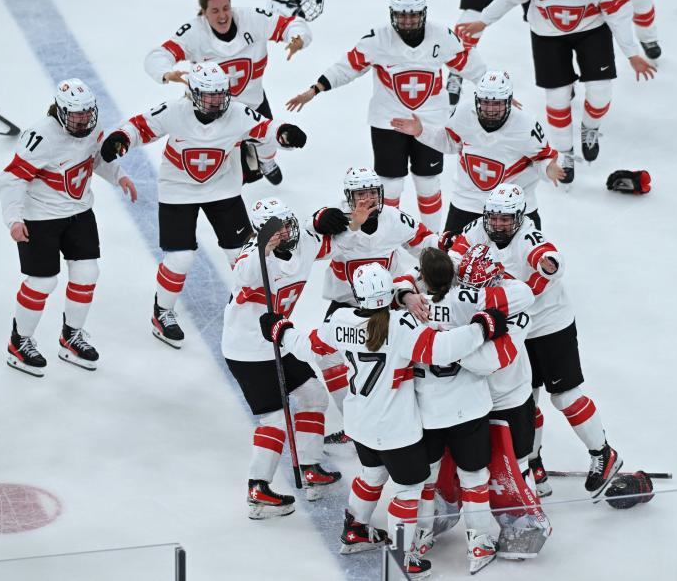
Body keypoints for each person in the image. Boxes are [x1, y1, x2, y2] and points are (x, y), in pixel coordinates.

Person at [259, 263, 513, 578]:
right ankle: (401, 558)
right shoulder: (401, 325)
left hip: (359, 421)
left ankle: (355, 530)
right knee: (408, 490)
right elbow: (444, 349)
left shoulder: (340, 319)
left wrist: (280, 330)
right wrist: (482, 327)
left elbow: (308, 347)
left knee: (372, 474)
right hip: (394, 428)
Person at [100, 62, 307, 348]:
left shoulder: (237, 113)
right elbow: (140, 126)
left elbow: (267, 130)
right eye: (209, 95)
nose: (216, 101)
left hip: (223, 189)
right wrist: (121, 138)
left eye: (220, 94)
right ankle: (162, 311)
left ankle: (248, 308)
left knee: (242, 255)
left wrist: (286, 133)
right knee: (180, 258)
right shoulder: (175, 110)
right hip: (178, 190)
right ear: (194, 94)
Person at [451, 184, 623, 499]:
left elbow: (548, 256)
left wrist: (548, 264)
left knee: (565, 396)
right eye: (494, 217)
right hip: (517, 328)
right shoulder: (478, 229)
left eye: (506, 218)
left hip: (549, 325)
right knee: (524, 400)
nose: (498, 224)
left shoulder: (528, 236)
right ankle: (533, 463)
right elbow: (453, 255)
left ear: (520, 217)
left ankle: (603, 453)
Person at [458, 0, 656, 183]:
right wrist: (484, 20)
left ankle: (590, 127)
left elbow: (618, 14)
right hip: (547, 34)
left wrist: (632, 54)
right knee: (557, 97)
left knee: (600, 92)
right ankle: (564, 152)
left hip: (591, 29)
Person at [287, 0, 487, 231]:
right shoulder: (377, 40)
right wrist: (316, 88)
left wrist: (495, 91)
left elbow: (469, 63)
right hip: (388, 121)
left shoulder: (442, 36)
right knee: (389, 185)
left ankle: (432, 239)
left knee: (428, 183)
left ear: (423, 13)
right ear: (393, 14)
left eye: (413, 15)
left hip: (431, 120)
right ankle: (389, 238)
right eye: (402, 15)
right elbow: (348, 66)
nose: (408, 21)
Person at [406, 247, 535, 572]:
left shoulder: (412, 308)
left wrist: (405, 297)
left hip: (437, 409)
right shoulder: (472, 302)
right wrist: (468, 336)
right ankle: (479, 542)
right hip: (470, 406)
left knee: (428, 476)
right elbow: (488, 358)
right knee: (475, 476)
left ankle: (418, 535)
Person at [0, 79, 136, 377]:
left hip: (79, 212)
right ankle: (19, 342)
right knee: (42, 282)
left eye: (87, 113)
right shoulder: (41, 137)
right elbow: (12, 178)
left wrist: (119, 176)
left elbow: (97, 159)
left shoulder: (91, 128)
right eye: (76, 114)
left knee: (87, 273)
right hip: (40, 217)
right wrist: (14, 219)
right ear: (60, 111)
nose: (83, 119)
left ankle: (71, 336)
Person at [221, 198, 342, 518]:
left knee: (314, 395)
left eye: (287, 224)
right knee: (274, 420)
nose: (286, 232)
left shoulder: (300, 246)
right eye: (276, 229)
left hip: (277, 341)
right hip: (247, 351)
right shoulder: (253, 257)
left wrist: (331, 217)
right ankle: (258, 489)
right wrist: (262, 248)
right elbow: (242, 274)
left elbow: (329, 235)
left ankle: (311, 467)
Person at [144, 0, 318, 185]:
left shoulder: (252, 19)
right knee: (221, 159)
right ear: (204, 12)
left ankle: (266, 162)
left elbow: (292, 24)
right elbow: (157, 56)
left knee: (267, 139)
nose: (222, 15)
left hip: (252, 99)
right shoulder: (193, 33)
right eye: (215, 11)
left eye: (226, 8)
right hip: (212, 108)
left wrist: (298, 39)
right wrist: (165, 73)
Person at [391, 69, 562, 235]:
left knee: (525, 254)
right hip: (468, 202)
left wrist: (548, 168)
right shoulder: (464, 112)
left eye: (497, 103)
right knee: (448, 254)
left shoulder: (526, 125)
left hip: (512, 208)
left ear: (509, 101)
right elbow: (450, 142)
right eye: (486, 102)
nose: (490, 109)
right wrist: (422, 131)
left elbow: (542, 158)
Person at [311, 167, 444, 321]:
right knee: (326, 336)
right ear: (349, 196)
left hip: (388, 302)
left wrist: (449, 245)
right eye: (361, 194)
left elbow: (425, 241)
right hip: (346, 304)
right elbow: (310, 241)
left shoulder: (393, 217)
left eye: (373, 192)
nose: (369, 199)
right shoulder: (337, 216)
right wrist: (317, 221)